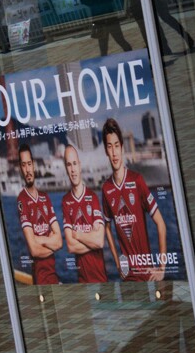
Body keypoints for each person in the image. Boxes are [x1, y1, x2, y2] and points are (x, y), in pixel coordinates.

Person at [99, 118, 167, 281]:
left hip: (148, 274)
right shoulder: (106, 189)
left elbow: (161, 223)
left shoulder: (137, 181)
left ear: (122, 147)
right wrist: (117, 262)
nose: (114, 152)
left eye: (117, 146)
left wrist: (162, 268)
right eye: (110, 147)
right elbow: (107, 227)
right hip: (128, 277)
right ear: (106, 151)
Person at [60, 144, 107, 283]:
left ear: (80, 166)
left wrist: (78, 235)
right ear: (66, 169)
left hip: (100, 278)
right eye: (69, 165)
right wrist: (90, 238)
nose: (73, 169)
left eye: (75, 163)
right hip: (82, 281)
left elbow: (99, 242)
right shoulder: (66, 201)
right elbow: (71, 246)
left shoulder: (92, 197)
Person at [16, 144, 62, 284]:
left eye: (29, 164)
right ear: (20, 169)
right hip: (40, 279)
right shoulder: (22, 200)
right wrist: (51, 243)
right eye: (23, 165)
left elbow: (59, 242)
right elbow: (34, 250)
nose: (27, 169)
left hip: (54, 276)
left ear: (34, 165)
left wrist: (39, 239)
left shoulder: (45, 197)